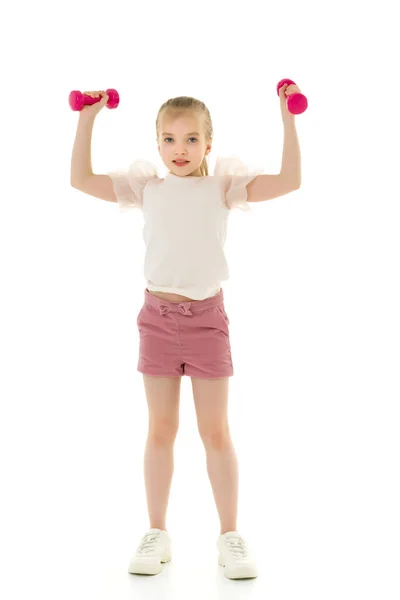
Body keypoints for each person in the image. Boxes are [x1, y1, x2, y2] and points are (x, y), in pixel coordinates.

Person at [70, 87, 301, 579]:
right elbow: (80, 179)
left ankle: (230, 535)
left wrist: (289, 118)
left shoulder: (222, 188)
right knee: (160, 430)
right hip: (156, 319)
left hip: (207, 323)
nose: (180, 148)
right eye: (170, 138)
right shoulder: (147, 188)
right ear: (157, 144)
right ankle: (157, 532)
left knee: (215, 432)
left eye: (192, 138)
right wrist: (87, 119)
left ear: (209, 143)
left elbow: (290, 180)